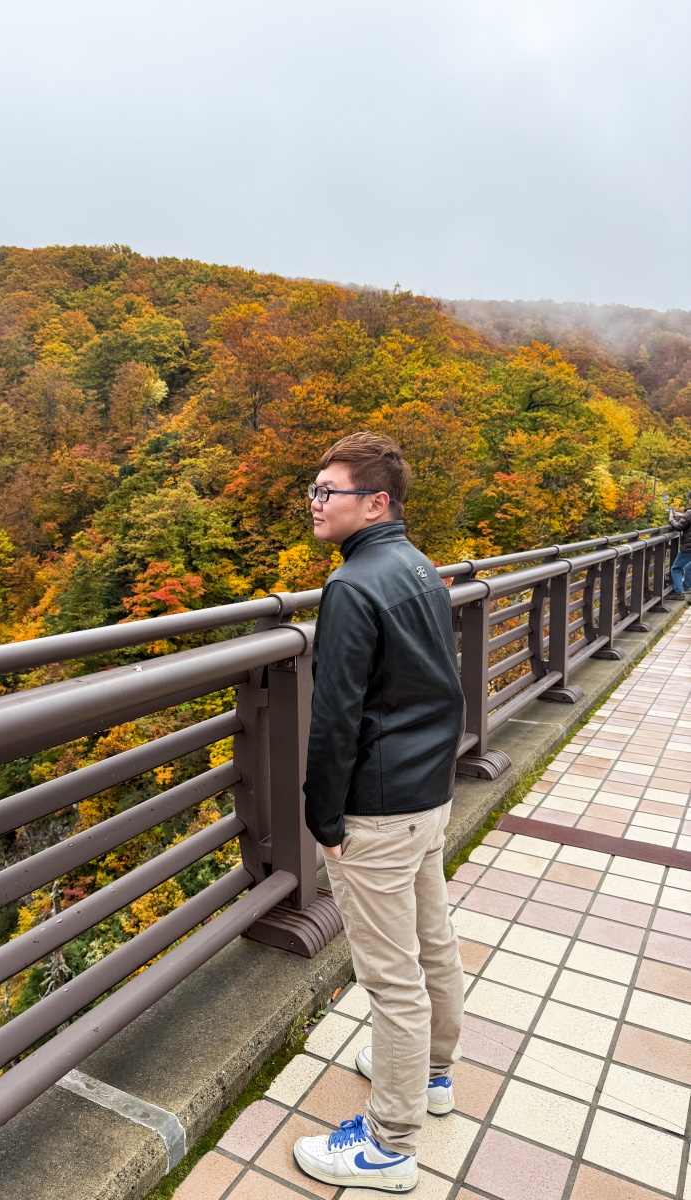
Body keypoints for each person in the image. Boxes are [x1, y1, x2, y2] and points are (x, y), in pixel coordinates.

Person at [292, 432, 466, 1194]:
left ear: (376, 501)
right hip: (427, 796)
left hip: (379, 812)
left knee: (392, 980)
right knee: (433, 945)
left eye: (328, 491)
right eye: (314, 489)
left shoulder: (354, 587)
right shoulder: (417, 566)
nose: (315, 503)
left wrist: (324, 819)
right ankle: (431, 1077)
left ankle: (390, 1147)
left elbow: (335, 720)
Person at [668, 492, 691, 601]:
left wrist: (671, 519)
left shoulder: (689, 513)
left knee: (676, 568)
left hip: (688, 547)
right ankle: (688, 587)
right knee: (688, 567)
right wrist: (683, 515)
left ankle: (679, 593)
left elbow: (679, 527)